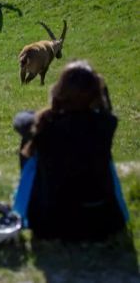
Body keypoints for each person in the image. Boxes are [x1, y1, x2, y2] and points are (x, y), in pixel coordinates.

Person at [12, 61, 129, 241]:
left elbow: (19, 119)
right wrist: (99, 86)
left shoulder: (46, 127)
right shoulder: (106, 124)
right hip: (104, 224)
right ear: (96, 94)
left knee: (29, 142)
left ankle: (27, 203)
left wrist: (51, 107)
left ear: (60, 91)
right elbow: (106, 109)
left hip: (52, 226)